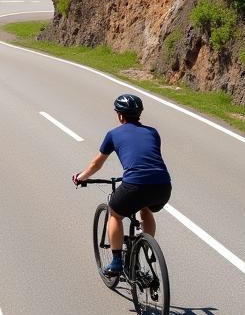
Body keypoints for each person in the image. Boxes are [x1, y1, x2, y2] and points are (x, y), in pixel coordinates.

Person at [72, 94, 172, 275]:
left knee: (115, 213)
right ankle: (147, 248)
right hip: (163, 185)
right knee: (145, 208)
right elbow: (146, 157)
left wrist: (81, 177)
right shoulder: (153, 132)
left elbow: (96, 164)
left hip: (135, 184)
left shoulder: (113, 134)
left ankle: (117, 261)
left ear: (120, 115)